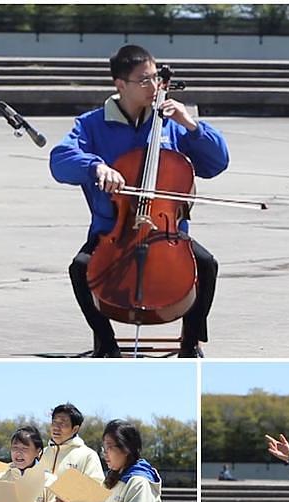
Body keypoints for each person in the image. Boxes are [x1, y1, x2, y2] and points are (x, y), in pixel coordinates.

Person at [49, 44, 230, 357]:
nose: (155, 86)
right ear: (120, 84)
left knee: (207, 264)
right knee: (80, 268)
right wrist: (95, 165)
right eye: (144, 80)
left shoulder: (171, 122)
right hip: (113, 231)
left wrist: (192, 125)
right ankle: (106, 343)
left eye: (156, 78)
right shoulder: (92, 124)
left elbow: (217, 163)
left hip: (166, 230)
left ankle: (191, 341)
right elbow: (60, 160)